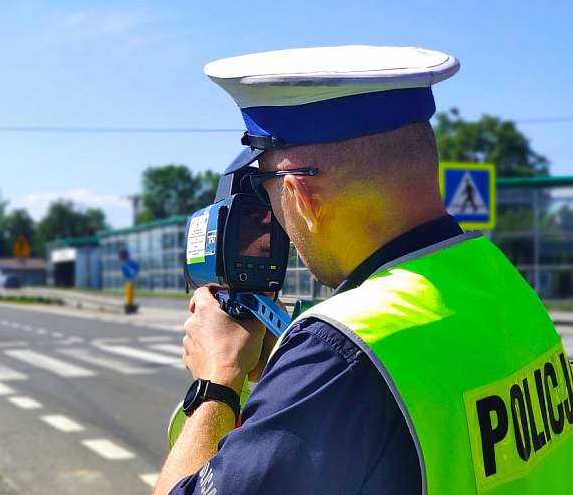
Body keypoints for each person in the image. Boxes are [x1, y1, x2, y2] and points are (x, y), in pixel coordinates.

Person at [153, 46, 573, 495]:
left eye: (268, 190)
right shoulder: (497, 277)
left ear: (300, 197)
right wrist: (289, 363)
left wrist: (218, 377)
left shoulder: (338, 354)